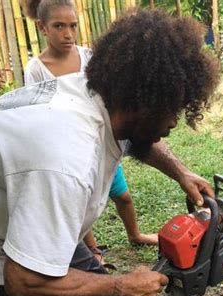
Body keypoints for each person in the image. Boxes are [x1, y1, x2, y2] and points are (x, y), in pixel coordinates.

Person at [0, 7, 220, 296]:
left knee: (90, 286)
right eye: (172, 110)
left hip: (9, 208)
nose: (175, 123)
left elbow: (136, 136)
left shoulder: (99, 96)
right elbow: (23, 281)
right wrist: (121, 285)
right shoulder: (67, 158)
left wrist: (181, 173)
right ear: (145, 103)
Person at [21, 0, 158, 261]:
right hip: (67, 150)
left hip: (101, 143)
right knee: (81, 204)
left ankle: (135, 234)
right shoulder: (35, 69)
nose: (67, 34)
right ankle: (93, 249)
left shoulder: (89, 57)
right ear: (42, 27)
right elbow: (38, 112)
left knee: (123, 196)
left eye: (72, 26)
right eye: (58, 26)